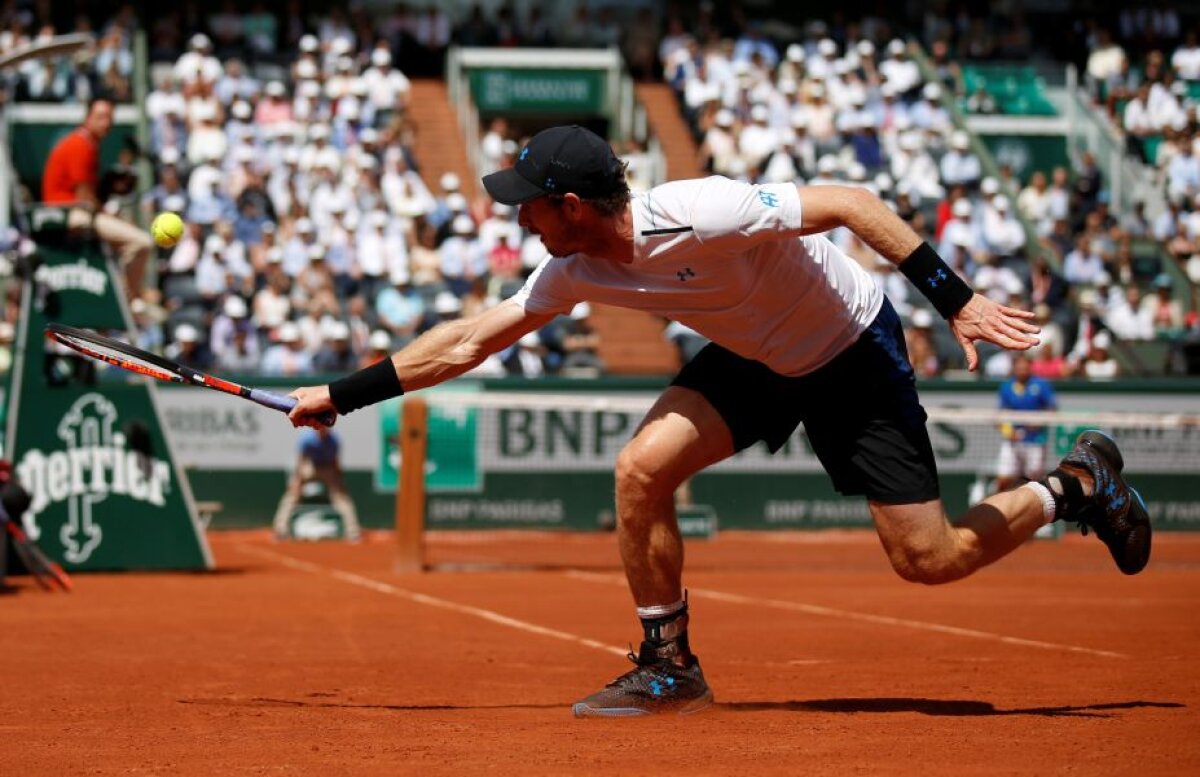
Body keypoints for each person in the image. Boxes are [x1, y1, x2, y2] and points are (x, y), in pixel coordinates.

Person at [286, 125, 1152, 717]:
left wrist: (954, 300)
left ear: (573, 205)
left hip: (849, 348)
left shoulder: (700, 211)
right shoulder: (573, 270)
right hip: (754, 357)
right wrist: (344, 394)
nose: (518, 218)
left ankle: (1076, 485)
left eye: (529, 204)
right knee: (640, 469)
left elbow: (852, 203)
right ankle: (669, 666)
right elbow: (470, 339)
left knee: (931, 558)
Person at [41, 97, 153, 297]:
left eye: (110, 118)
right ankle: (126, 301)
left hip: (75, 213)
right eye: (101, 117)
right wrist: (111, 216)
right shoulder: (80, 144)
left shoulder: (89, 144)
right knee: (142, 242)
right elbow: (85, 199)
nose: (106, 123)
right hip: (67, 215)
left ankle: (123, 296)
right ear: (88, 117)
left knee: (128, 234)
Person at [271, 426, 362, 543]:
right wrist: (297, 481)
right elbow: (301, 460)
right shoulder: (306, 438)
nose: (322, 429)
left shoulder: (334, 440)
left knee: (341, 497)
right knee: (292, 494)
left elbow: (335, 461)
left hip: (328, 468)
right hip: (310, 466)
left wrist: (339, 481)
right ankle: (280, 530)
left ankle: (353, 533)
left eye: (325, 427)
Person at [994, 354, 1058, 494]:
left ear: (1030, 367)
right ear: (1014, 368)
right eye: (1019, 366)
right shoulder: (1007, 387)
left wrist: (1038, 422)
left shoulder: (1041, 385)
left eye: (1025, 366)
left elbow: (1052, 409)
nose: (1022, 370)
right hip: (1012, 440)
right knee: (1003, 480)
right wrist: (1009, 432)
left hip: (1036, 440)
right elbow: (1000, 416)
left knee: (1034, 481)